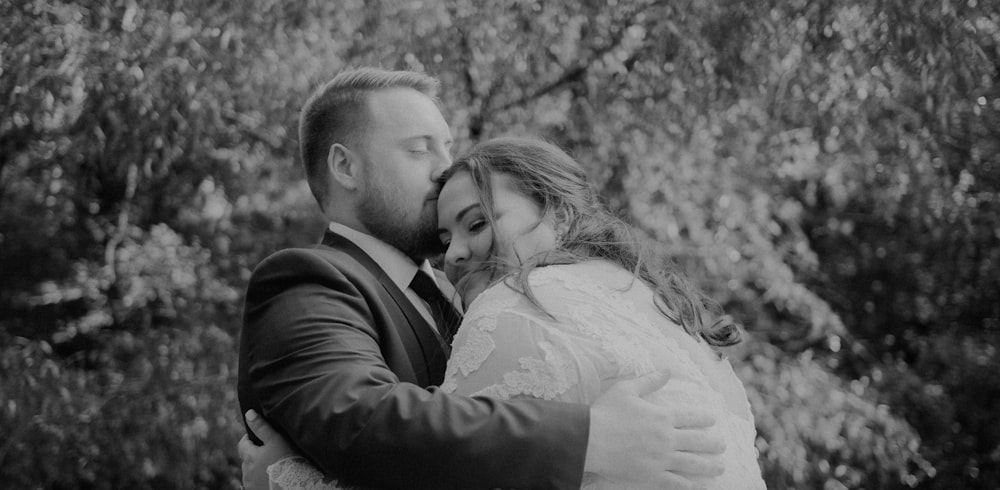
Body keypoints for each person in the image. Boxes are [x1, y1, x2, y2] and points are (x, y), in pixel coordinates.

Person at [238, 68, 727, 490]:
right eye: (418, 150)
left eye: (446, 147)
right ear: (345, 166)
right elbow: (360, 418)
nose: (443, 168)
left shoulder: (477, 292)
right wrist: (589, 438)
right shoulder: (306, 280)